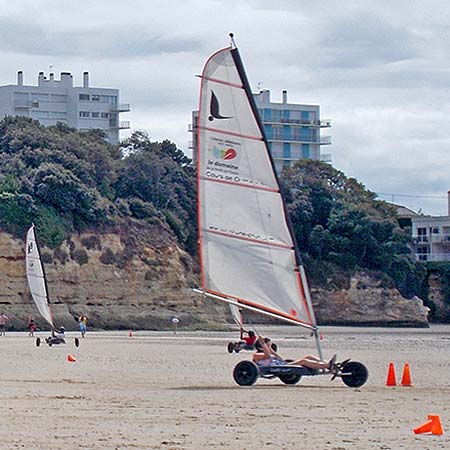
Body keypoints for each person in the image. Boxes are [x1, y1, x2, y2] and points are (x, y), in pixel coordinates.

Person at [252, 335, 337, 371]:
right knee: (304, 361)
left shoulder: (270, 354)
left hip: (282, 365)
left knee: (308, 356)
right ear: (261, 347)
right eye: (268, 346)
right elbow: (266, 356)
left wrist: (272, 351)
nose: (269, 347)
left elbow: (281, 360)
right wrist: (263, 344)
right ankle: (328, 366)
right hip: (277, 368)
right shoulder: (257, 355)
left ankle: (327, 363)